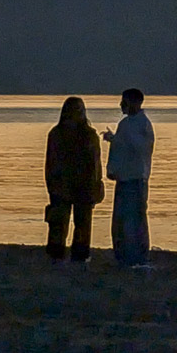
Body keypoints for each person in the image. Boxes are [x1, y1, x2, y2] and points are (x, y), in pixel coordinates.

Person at [43, 96, 103, 262]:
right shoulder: (88, 135)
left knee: (64, 223)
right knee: (77, 223)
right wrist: (97, 184)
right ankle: (76, 254)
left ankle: (60, 253)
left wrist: (51, 184)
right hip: (75, 185)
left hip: (67, 184)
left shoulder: (57, 134)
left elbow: (50, 163)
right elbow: (95, 163)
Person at [101, 87, 154, 267]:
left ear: (135, 102)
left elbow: (139, 148)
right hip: (124, 178)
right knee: (121, 219)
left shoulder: (143, 125)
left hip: (136, 179)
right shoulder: (126, 124)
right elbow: (123, 147)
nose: (121, 105)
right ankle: (123, 254)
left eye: (124, 101)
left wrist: (116, 140)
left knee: (135, 219)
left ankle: (138, 255)